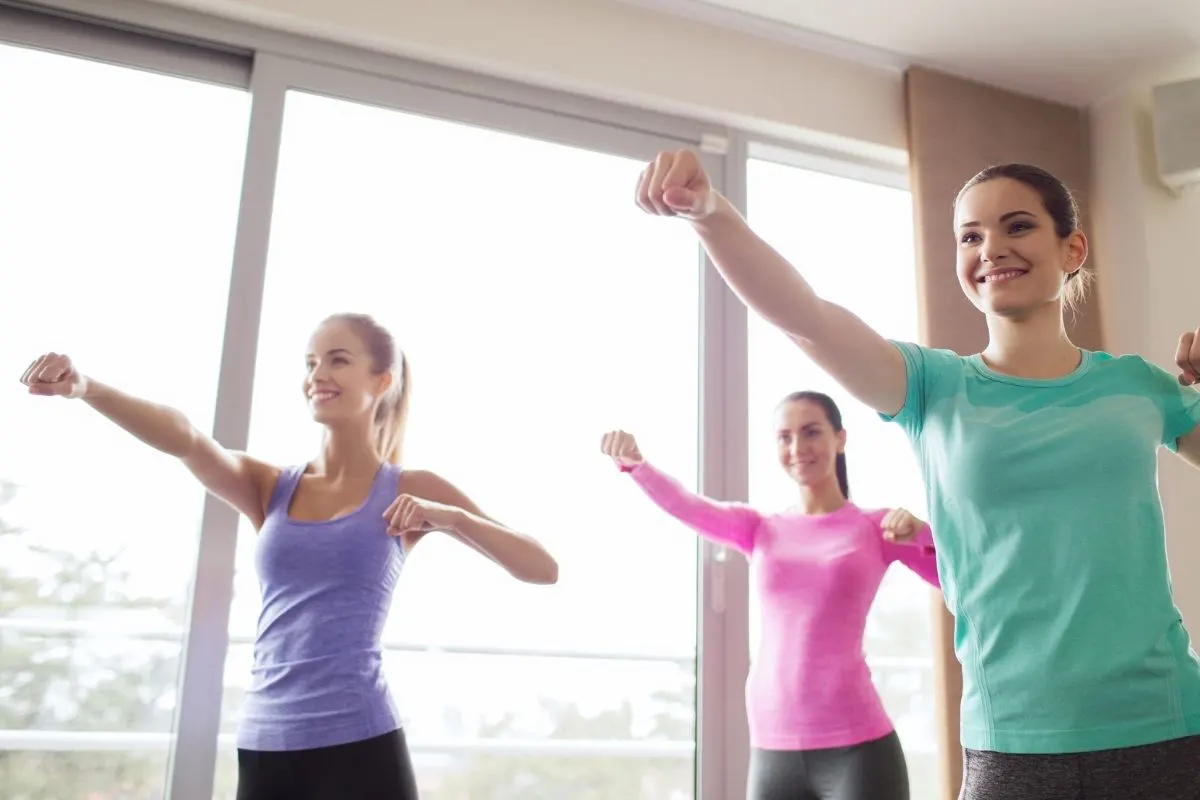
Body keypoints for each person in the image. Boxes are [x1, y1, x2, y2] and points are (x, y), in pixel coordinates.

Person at [633, 151, 1200, 799]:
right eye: (970, 236)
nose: (991, 248)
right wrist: (711, 214)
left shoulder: (1138, 386)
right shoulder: (931, 386)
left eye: (1017, 227)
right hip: (1012, 740)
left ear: (1072, 249)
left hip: (1167, 725)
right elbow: (804, 315)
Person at [19, 312, 559, 800]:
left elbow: (541, 568)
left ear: (381, 381)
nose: (317, 373)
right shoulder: (270, 486)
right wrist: (83, 387)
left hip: (359, 745)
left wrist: (451, 518)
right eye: (310, 362)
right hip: (264, 744)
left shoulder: (408, 488)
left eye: (338, 360)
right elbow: (185, 438)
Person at [601, 388, 940, 800]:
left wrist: (922, 532)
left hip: (857, 748)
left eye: (811, 432)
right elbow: (687, 506)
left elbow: (956, 580)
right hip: (771, 745)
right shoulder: (760, 528)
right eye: (785, 437)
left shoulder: (878, 527)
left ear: (840, 439)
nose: (798, 447)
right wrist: (637, 466)